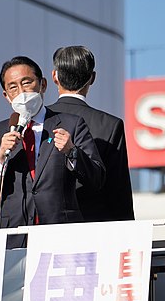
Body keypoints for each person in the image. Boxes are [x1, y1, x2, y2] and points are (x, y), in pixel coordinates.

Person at [0, 55, 105, 237]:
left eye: (27, 83)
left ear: (42, 84)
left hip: (60, 234)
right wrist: (0, 157)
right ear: (6, 96)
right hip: (13, 237)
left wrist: (71, 151)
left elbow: (96, 179)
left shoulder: (71, 124)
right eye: (13, 87)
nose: (21, 92)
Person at [46, 45, 134, 222]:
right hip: (95, 226)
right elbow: (118, 190)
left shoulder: (40, 121)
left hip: (46, 225)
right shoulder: (110, 124)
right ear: (92, 78)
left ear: (54, 76)